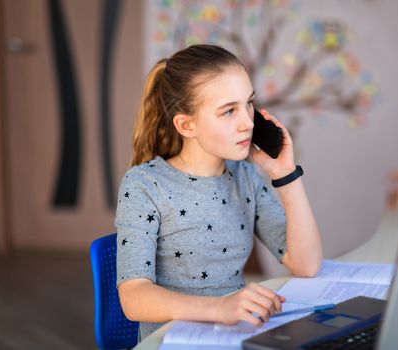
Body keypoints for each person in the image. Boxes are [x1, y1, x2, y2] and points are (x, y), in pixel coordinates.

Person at [115, 44, 322, 340]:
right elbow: (134, 299)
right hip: (174, 340)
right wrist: (220, 308)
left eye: (248, 103)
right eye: (228, 111)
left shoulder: (245, 176)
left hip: (234, 333)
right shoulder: (144, 185)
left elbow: (307, 264)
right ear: (186, 125)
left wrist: (285, 175)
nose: (248, 123)